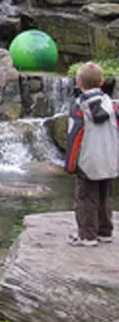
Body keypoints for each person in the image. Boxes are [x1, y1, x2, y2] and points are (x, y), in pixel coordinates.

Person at [65, 62, 119, 247]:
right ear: (102, 81)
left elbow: (75, 136)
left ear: (79, 82)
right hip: (109, 159)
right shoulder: (112, 105)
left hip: (89, 160)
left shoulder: (80, 107)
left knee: (86, 198)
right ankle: (105, 231)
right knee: (105, 196)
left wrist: (70, 164)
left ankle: (87, 235)